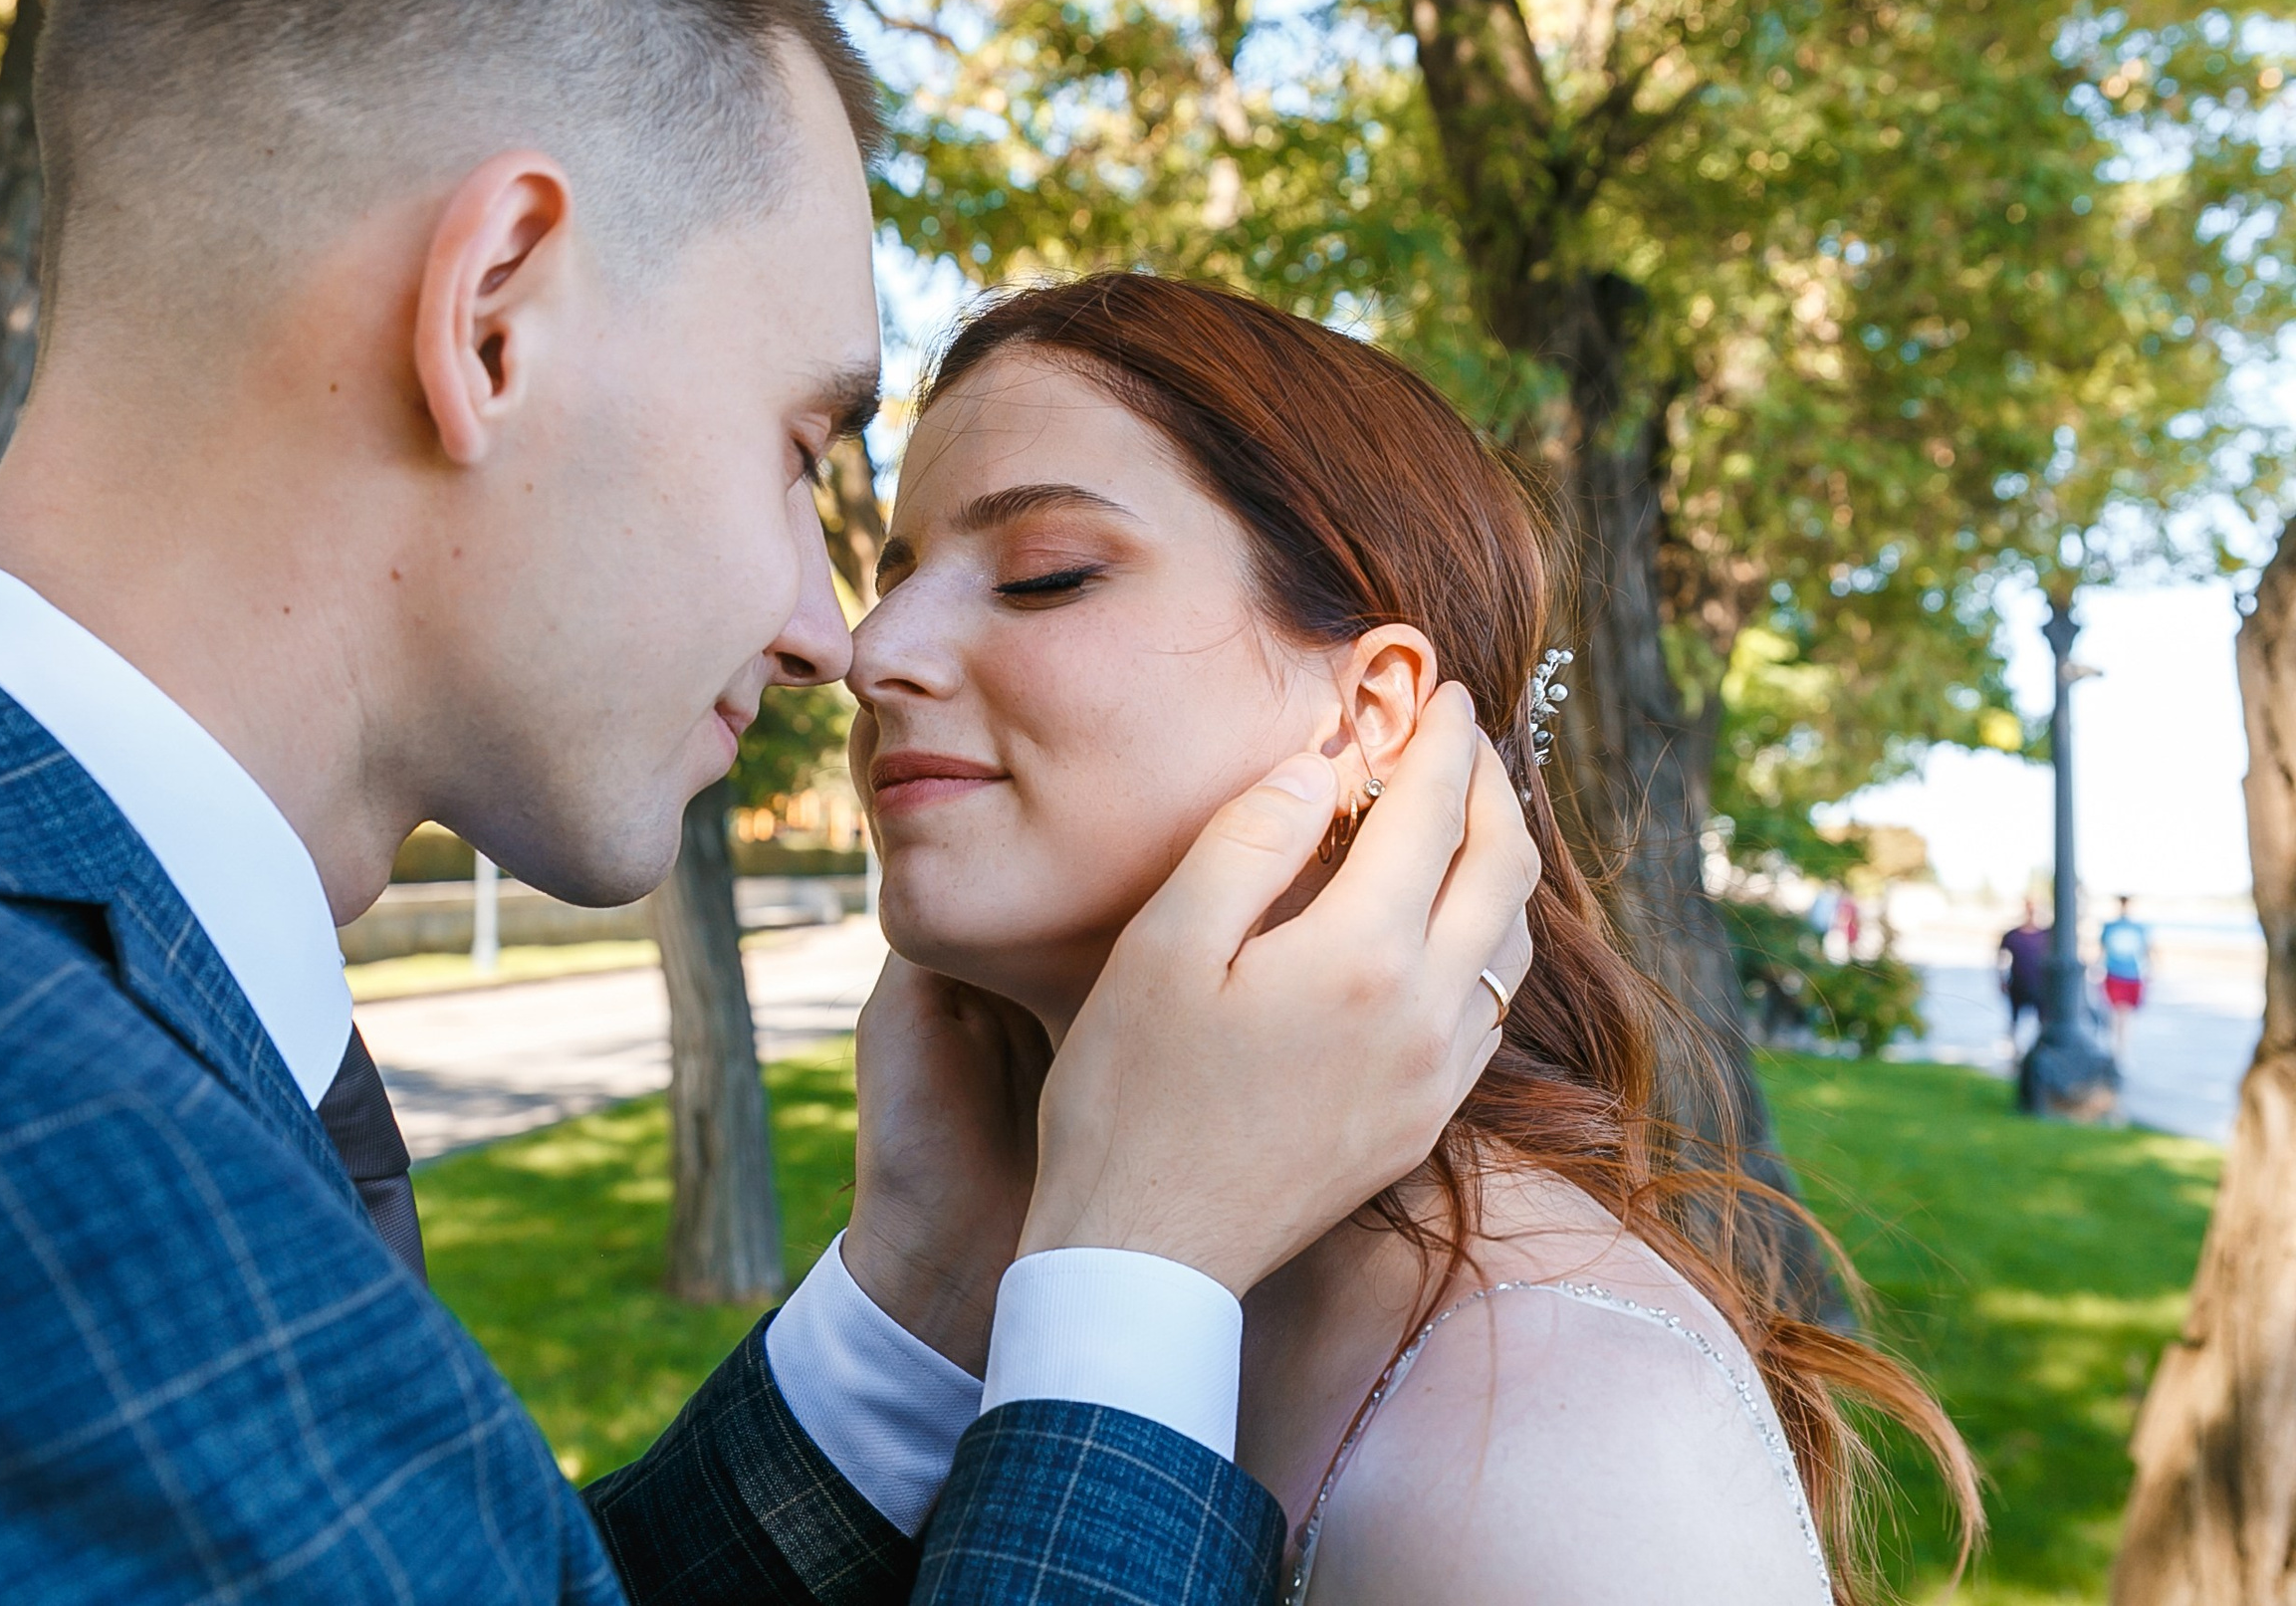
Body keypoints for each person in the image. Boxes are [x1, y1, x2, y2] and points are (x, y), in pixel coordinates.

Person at [0, 0, 1537, 1603]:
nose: (834, 635)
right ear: (494, 314)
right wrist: (1140, 1284)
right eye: (797, 443)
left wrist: (919, 1303)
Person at [846, 274, 1983, 1606]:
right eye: (898, 573)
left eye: (1046, 573)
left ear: (1372, 710)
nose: (873, 650)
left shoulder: (1562, 1432)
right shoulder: (1032, 1266)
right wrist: (921, 1283)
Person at [2101, 895, 2153, 1064]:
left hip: (2132, 975)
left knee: (2125, 1015)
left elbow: (2147, 950)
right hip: (2114, 974)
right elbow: (2102, 949)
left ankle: (2121, 1048)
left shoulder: (2139, 927)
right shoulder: (2110, 927)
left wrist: (2150, 970)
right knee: (2116, 1014)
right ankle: (2117, 1047)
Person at [1998, 900, 2050, 1057]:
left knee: (2042, 1021)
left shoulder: (2046, 934)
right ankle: (2014, 1052)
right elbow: (2001, 958)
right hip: (2018, 985)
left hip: (2039, 986)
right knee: (2014, 1020)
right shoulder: (2012, 936)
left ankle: (2039, 1052)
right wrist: (2001, 979)